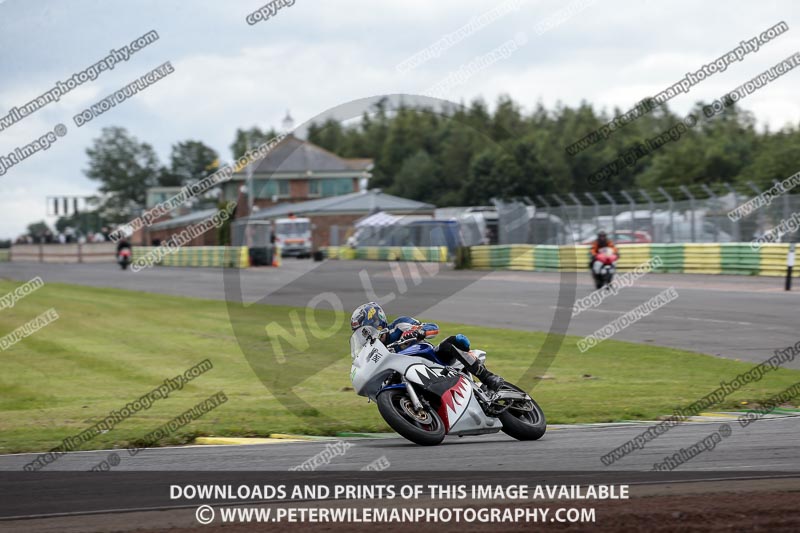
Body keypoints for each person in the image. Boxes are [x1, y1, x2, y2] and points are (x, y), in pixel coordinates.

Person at [349, 302, 505, 391]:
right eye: (360, 334)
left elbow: (433, 327)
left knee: (453, 342)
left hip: (433, 360)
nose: (364, 336)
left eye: (365, 331)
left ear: (375, 321)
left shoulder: (399, 325)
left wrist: (418, 332)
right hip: (413, 377)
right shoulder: (373, 352)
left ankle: (488, 377)